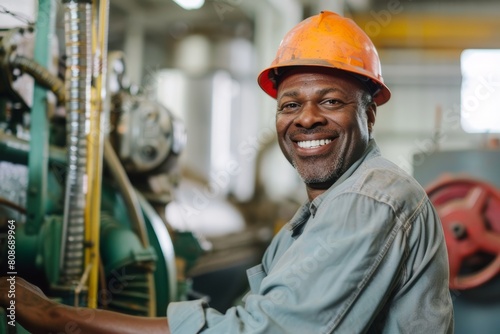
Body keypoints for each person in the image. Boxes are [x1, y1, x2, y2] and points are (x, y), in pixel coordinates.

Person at [0, 10, 453, 333]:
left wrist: (61, 317)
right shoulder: (317, 215)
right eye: (290, 104)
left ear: (369, 115)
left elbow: (262, 330)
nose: (307, 118)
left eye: (331, 101)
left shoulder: (371, 199)